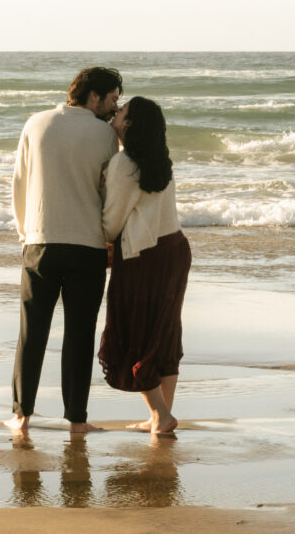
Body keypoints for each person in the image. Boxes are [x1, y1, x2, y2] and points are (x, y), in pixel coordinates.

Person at [5, 66, 123, 434]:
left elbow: (19, 183)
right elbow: (109, 192)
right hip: (86, 245)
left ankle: (21, 415)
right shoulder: (104, 135)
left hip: (40, 242)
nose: (114, 107)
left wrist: (26, 234)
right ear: (94, 97)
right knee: (79, 333)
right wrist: (109, 237)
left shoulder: (35, 124)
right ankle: (76, 419)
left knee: (32, 332)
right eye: (112, 99)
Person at [98, 97, 191, 435]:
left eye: (121, 111)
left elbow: (111, 223)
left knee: (135, 332)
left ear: (131, 123)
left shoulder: (125, 163)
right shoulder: (160, 159)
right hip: (175, 249)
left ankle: (161, 416)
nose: (116, 112)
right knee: (163, 334)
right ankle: (160, 416)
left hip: (143, 255)